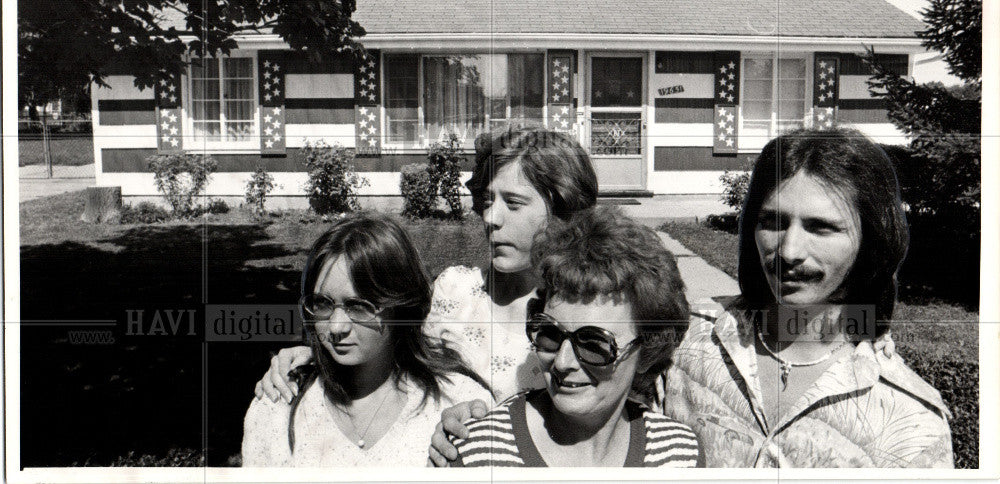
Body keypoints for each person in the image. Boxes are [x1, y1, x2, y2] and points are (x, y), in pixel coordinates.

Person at [664, 127, 954, 467]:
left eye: (820, 227)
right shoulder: (684, 343)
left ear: (871, 242)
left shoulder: (912, 421)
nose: (788, 251)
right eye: (772, 222)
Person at [253, 127, 599, 404]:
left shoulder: (587, 312)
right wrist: (312, 356)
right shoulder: (455, 290)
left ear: (562, 211)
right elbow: (389, 351)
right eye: (488, 200)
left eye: (513, 203)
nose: (491, 217)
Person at [451, 207, 701, 467]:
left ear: (648, 351)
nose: (562, 363)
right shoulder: (480, 455)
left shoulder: (679, 455)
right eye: (550, 334)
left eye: (594, 344)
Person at [241, 213, 490, 467]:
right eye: (322, 304)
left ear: (402, 307)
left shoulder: (458, 403)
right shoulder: (277, 408)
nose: (336, 327)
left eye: (359, 306)